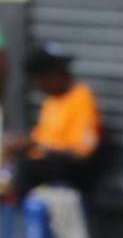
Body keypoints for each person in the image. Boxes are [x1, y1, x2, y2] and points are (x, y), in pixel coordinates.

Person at [1, 43, 102, 199]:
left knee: (25, 169)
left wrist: (38, 147)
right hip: (47, 162)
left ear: (53, 76)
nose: (38, 86)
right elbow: (40, 139)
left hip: (72, 168)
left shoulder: (81, 98)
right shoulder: (52, 102)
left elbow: (81, 151)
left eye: (39, 80)